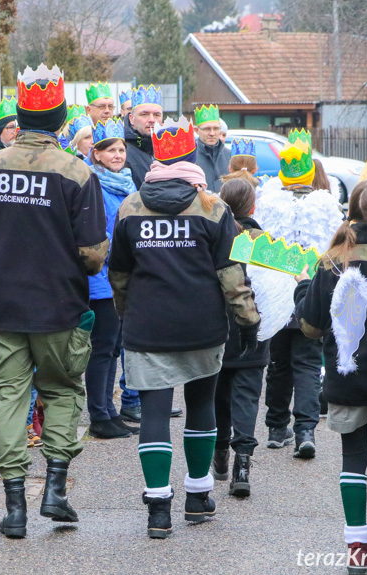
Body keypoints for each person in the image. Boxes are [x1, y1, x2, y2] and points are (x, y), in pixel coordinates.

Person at [0, 64, 108, 537]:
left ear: (19, 118)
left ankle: (14, 508)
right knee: (63, 391)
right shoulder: (78, 172)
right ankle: (55, 492)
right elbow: (92, 254)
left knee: (6, 399)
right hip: (59, 308)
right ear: (63, 119)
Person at [109, 115, 260, 540]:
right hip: (202, 327)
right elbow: (232, 275)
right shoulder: (215, 208)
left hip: (147, 326)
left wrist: (126, 312)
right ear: (192, 156)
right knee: (201, 406)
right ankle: (198, 496)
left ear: (155, 158)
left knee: (155, 413)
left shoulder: (130, 207)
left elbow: (118, 272)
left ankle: (158, 507)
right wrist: (248, 321)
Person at [294, 180, 367, 573]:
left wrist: (304, 292)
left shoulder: (332, 259)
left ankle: (357, 547)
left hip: (344, 376)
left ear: (352, 211)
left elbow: (309, 327)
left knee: (353, 457)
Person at [254, 129, 343, 459]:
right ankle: (306, 429)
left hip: (276, 295)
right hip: (311, 293)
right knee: (306, 363)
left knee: (277, 363)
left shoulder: (268, 205)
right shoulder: (327, 207)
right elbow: (334, 254)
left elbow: (258, 251)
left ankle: (277, 428)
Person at [211, 178, 270, 499]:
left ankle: (220, 452)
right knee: (247, 397)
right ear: (253, 206)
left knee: (219, 395)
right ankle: (243, 464)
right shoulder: (265, 243)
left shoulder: (214, 235)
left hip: (220, 328)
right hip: (255, 327)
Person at [84, 118, 138, 439]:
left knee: (115, 348)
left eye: (121, 149)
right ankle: (99, 414)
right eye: (111, 150)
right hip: (101, 280)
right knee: (101, 348)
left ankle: (111, 410)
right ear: (97, 155)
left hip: (121, 278)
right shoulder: (95, 186)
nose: (118, 154)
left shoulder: (128, 185)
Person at [124, 85, 163, 188]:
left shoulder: (169, 149)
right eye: (144, 114)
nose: (151, 120)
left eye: (157, 115)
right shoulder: (122, 151)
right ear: (131, 119)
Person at [194, 105, 231, 193]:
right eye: (207, 129)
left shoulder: (230, 156)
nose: (212, 133)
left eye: (216, 128)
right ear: (196, 130)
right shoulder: (189, 156)